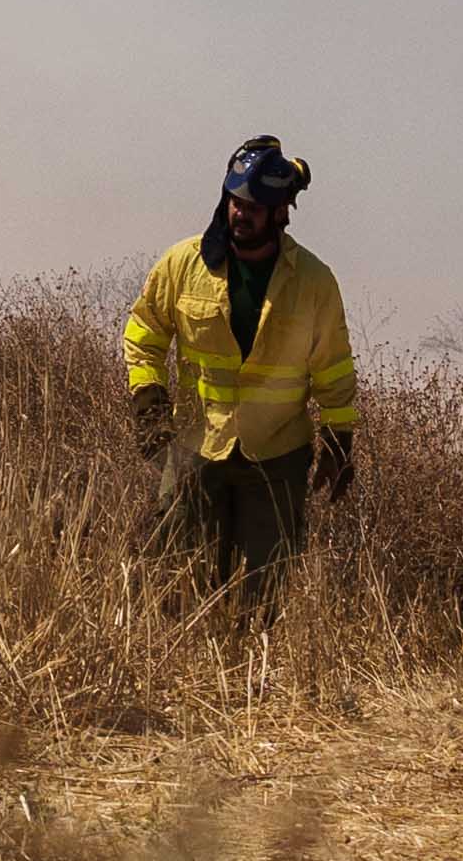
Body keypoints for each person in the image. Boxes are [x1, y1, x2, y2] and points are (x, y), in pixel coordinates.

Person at [126, 134, 359, 583]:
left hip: (276, 457)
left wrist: (338, 437)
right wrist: (147, 395)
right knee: (177, 582)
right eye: (234, 201)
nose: (240, 213)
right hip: (196, 446)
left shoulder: (313, 282)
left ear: (280, 213)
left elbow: (333, 366)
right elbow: (144, 332)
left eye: (253, 207)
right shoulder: (182, 265)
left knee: (263, 591)